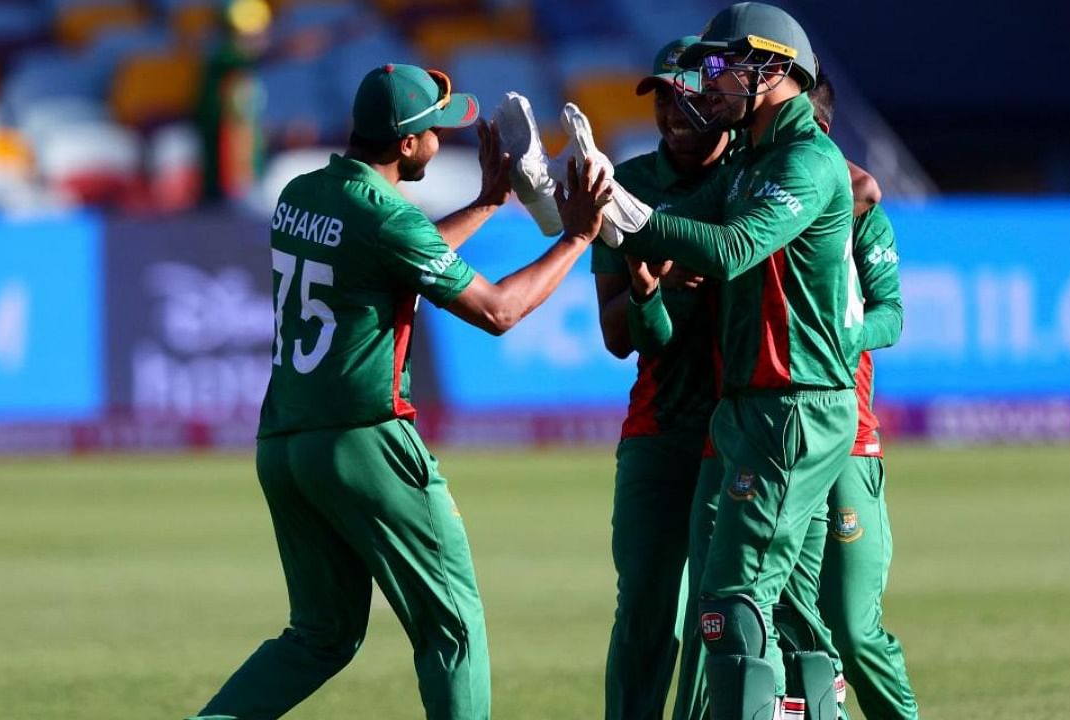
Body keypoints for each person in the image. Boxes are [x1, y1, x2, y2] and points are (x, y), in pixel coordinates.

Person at [186, 62, 609, 720]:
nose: (445, 138)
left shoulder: (301, 193)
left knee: (319, 636)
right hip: (365, 443)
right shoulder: (385, 216)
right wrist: (579, 235)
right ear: (407, 146)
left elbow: (390, 259)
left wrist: (488, 203)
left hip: (284, 446)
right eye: (437, 130)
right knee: (453, 627)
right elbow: (497, 310)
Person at [566, 4, 864, 718]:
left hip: (788, 404)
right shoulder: (753, 164)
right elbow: (668, 247)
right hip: (740, 412)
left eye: (724, 67)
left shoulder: (796, 160)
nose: (708, 85)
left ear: (771, 70)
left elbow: (728, 247)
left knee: (730, 606)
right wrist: (575, 202)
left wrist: (627, 218)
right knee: (767, 610)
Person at [592, 36, 729, 720]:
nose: (673, 110)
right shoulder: (625, 185)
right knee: (646, 608)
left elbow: (854, 184)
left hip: (740, 426)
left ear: (723, 99)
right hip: (658, 426)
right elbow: (617, 336)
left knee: (718, 609)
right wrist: (657, 286)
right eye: (663, 96)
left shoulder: (761, 173)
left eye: (689, 96)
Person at [808, 69, 922, 720]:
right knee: (782, 626)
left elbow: (893, 315)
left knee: (853, 626)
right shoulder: (752, 194)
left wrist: (841, 333)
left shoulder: (860, 208)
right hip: (768, 436)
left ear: (817, 127)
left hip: (848, 441)